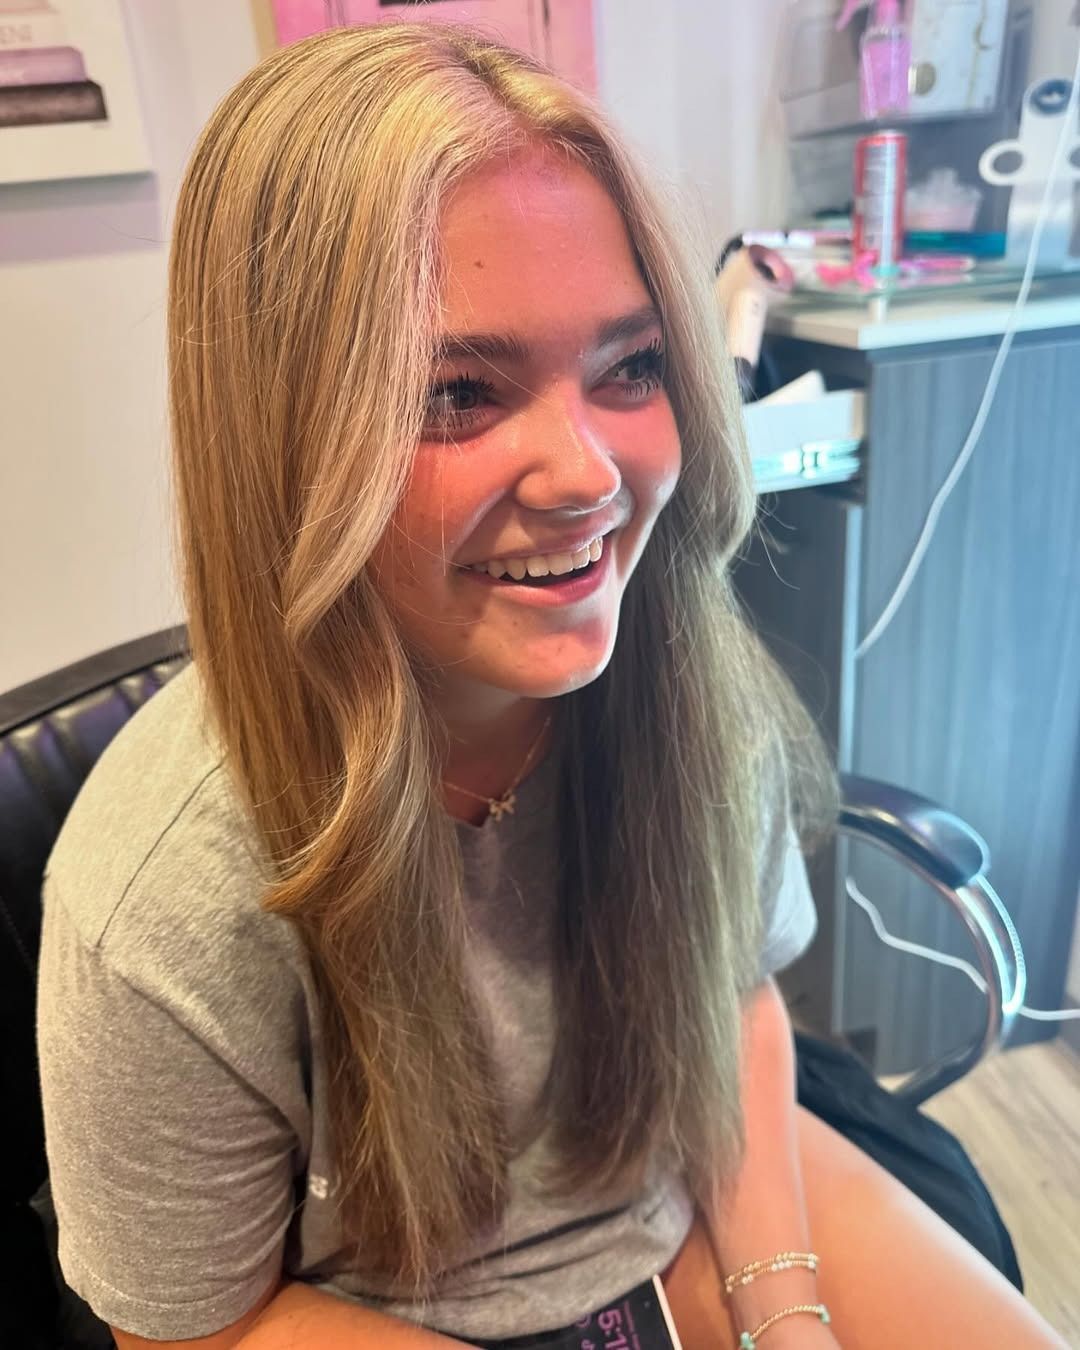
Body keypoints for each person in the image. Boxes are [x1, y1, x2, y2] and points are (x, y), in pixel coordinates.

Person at [35, 22, 1066, 1350]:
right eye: (459, 391)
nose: (587, 476)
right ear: (287, 440)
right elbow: (196, 1331)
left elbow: (735, 994)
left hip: (683, 1199)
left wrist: (785, 1309)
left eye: (630, 366)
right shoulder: (159, 899)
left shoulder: (687, 683)